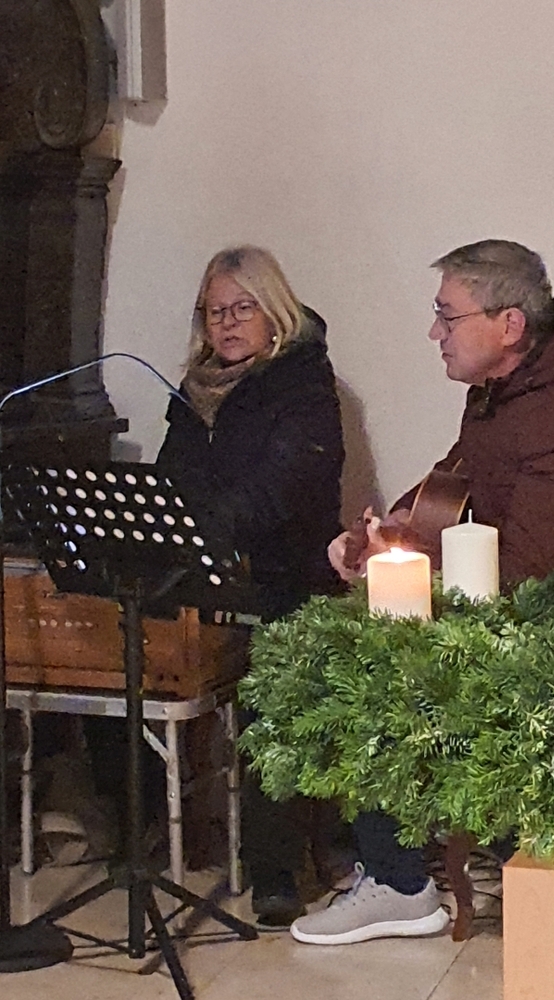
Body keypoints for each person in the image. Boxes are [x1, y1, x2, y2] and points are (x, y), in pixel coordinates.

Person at [290, 238, 554, 945]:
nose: (435, 333)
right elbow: (450, 486)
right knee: (348, 634)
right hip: (511, 611)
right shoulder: (505, 395)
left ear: (509, 325)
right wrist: (379, 539)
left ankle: (399, 881)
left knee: (367, 666)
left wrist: (408, 571)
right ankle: (399, 863)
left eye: (447, 316)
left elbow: (528, 574)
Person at [157, 244, 345, 925]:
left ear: (275, 315)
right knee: (118, 636)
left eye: (243, 309)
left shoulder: (303, 383)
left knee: (273, 691)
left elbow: (281, 489)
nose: (228, 324)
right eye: (215, 312)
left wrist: (202, 530)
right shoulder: (194, 392)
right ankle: (142, 834)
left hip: (286, 575)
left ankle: (274, 869)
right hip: (206, 572)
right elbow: (170, 479)